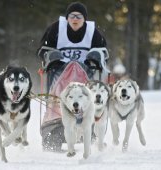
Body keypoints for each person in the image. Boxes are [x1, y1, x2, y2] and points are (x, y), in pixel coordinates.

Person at [37, 2, 109, 152]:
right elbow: (41, 50)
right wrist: (51, 56)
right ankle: (54, 121)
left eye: (79, 16)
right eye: (72, 16)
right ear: (67, 18)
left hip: (86, 73)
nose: (75, 19)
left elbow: (104, 53)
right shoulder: (56, 29)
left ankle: (91, 127)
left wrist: (95, 57)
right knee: (61, 87)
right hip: (59, 73)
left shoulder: (92, 32)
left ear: (84, 19)